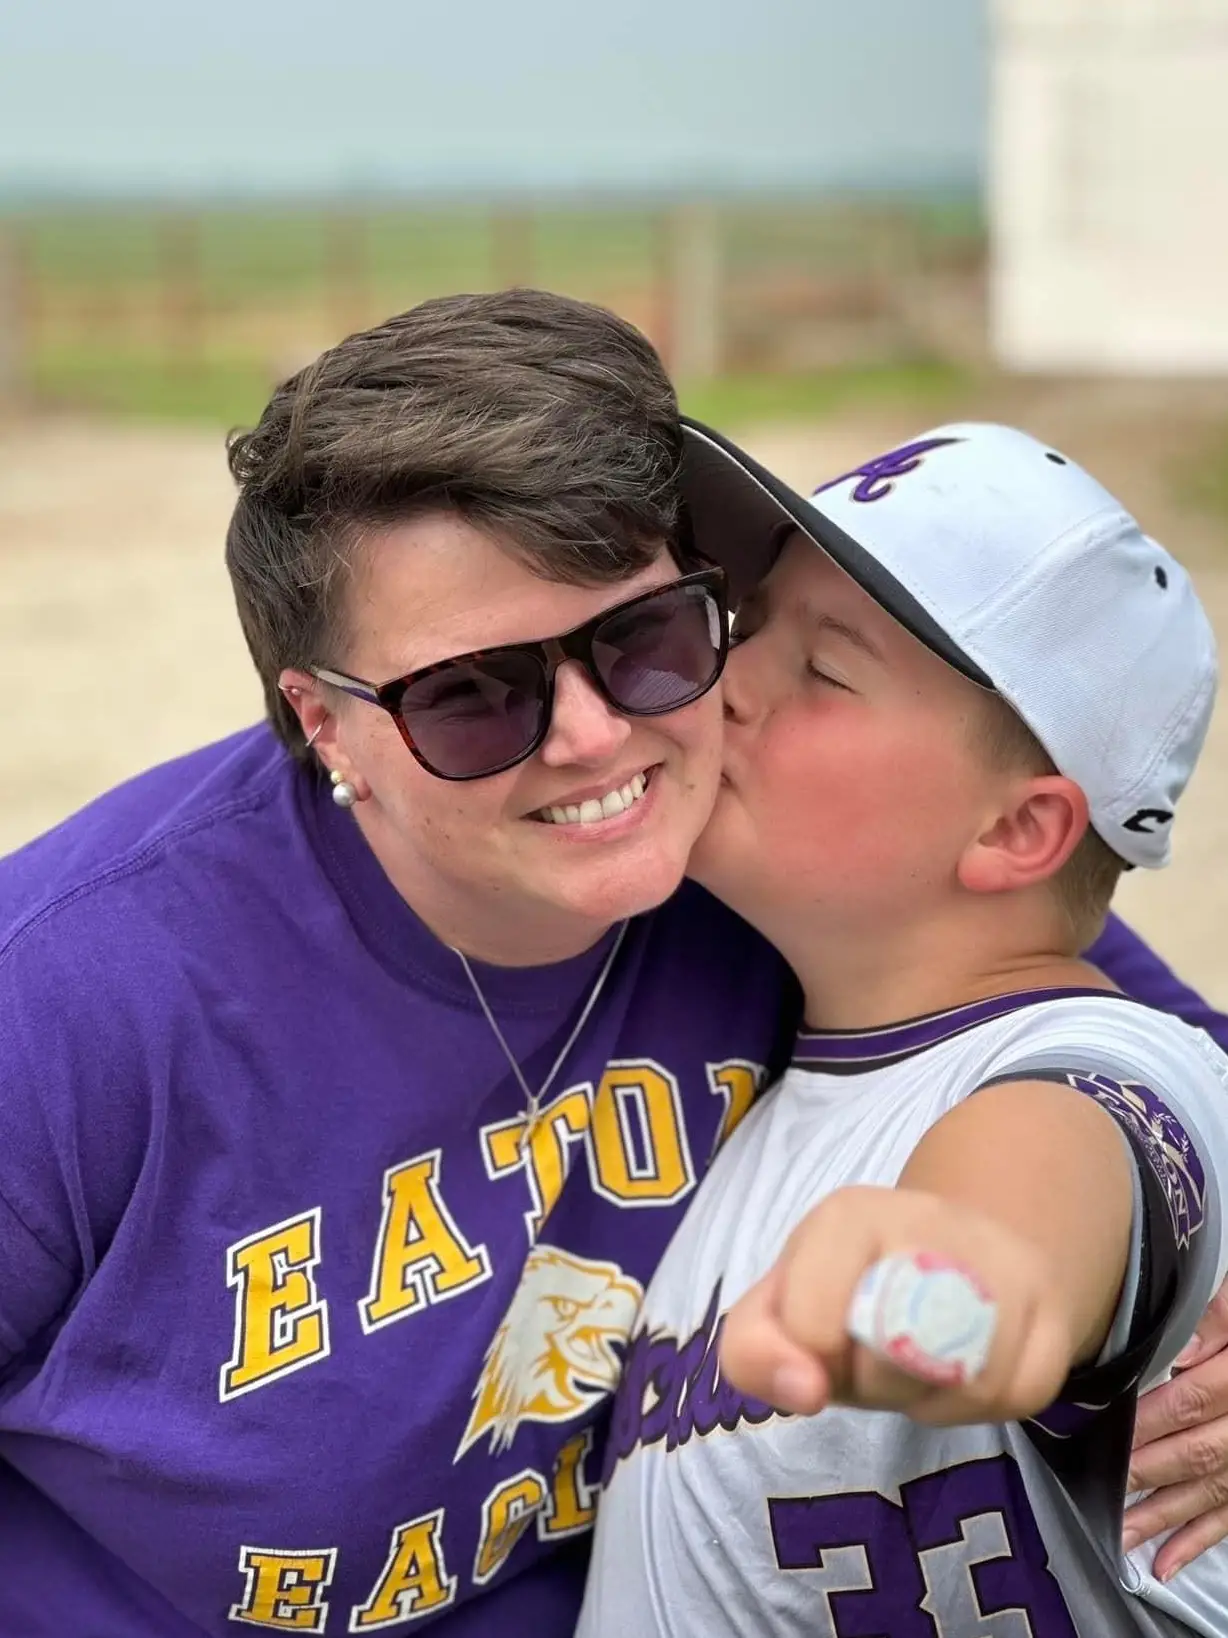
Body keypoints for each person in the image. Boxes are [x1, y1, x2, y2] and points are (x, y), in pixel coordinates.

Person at [0, 291, 1224, 1638]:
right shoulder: (70, 997)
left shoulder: (779, 873)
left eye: (650, 641)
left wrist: (986, 1276)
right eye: (474, 696)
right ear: (325, 724)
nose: (595, 738)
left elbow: (1100, 1103)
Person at [578, 421, 1228, 1636]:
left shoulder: (1088, 1066)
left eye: (825, 672)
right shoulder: (797, 1069)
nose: (731, 680)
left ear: (1015, 832)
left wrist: (950, 1288)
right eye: (750, 624)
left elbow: (1048, 1185)